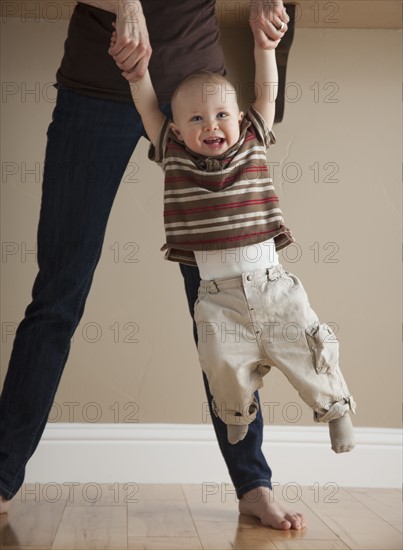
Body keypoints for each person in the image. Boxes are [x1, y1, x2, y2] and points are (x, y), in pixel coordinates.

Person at [0, 0, 307, 530]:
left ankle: (253, 484)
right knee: (58, 294)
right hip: (94, 88)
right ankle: (2, 478)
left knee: (223, 303)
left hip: (198, 92)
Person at [122, 17, 357, 450]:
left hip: (272, 287)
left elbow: (266, 95)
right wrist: (139, 76)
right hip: (216, 297)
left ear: (238, 119)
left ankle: (336, 410)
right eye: (196, 118)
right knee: (220, 363)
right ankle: (236, 412)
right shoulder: (172, 154)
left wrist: (264, 48)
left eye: (221, 115)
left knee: (307, 351)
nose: (211, 125)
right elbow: (148, 108)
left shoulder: (252, 141)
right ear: (177, 130)